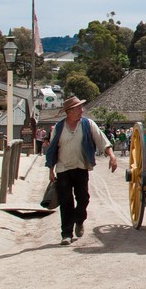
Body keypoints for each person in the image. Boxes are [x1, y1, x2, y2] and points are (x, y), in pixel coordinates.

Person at [45, 95, 118, 246]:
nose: (82, 110)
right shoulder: (59, 128)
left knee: (83, 198)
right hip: (63, 168)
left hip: (81, 167)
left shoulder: (87, 124)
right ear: (70, 111)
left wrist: (112, 156)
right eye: (79, 108)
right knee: (66, 202)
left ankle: (79, 220)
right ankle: (66, 234)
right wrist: (51, 170)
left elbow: (101, 140)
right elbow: (52, 149)